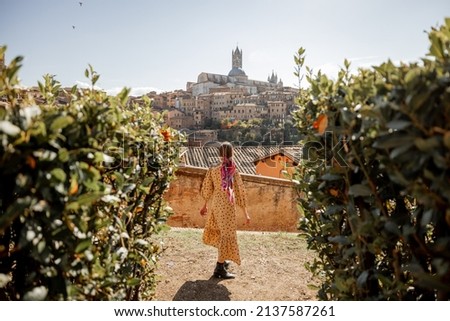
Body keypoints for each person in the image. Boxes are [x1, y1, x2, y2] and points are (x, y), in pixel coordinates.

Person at [200, 142, 251, 279]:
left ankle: (223, 260)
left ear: (219, 153)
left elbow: (207, 188)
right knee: (226, 234)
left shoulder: (213, 170)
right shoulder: (232, 170)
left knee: (222, 232)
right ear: (231, 153)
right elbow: (240, 192)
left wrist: (205, 205)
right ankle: (219, 268)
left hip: (216, 205)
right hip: (227, 206)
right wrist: (246, 213)